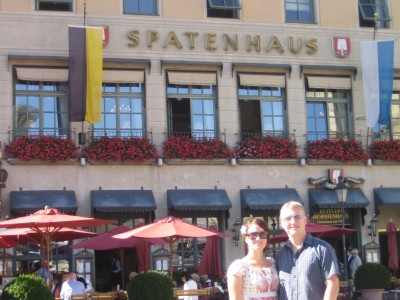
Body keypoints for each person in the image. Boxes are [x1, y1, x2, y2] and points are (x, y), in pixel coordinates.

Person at [276, 201, 339, 300]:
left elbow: (333, 285)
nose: (293, 222)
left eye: (297, 217)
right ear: (281, 223)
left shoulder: (322, 249)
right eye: (287, 218)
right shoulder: (280, 255)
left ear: (305, 220)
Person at [227, 216, 279, 300]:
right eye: (253, 235)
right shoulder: (238, 268)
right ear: (246, 238)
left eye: (262, 234)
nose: (258, 238)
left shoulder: (273, 263)